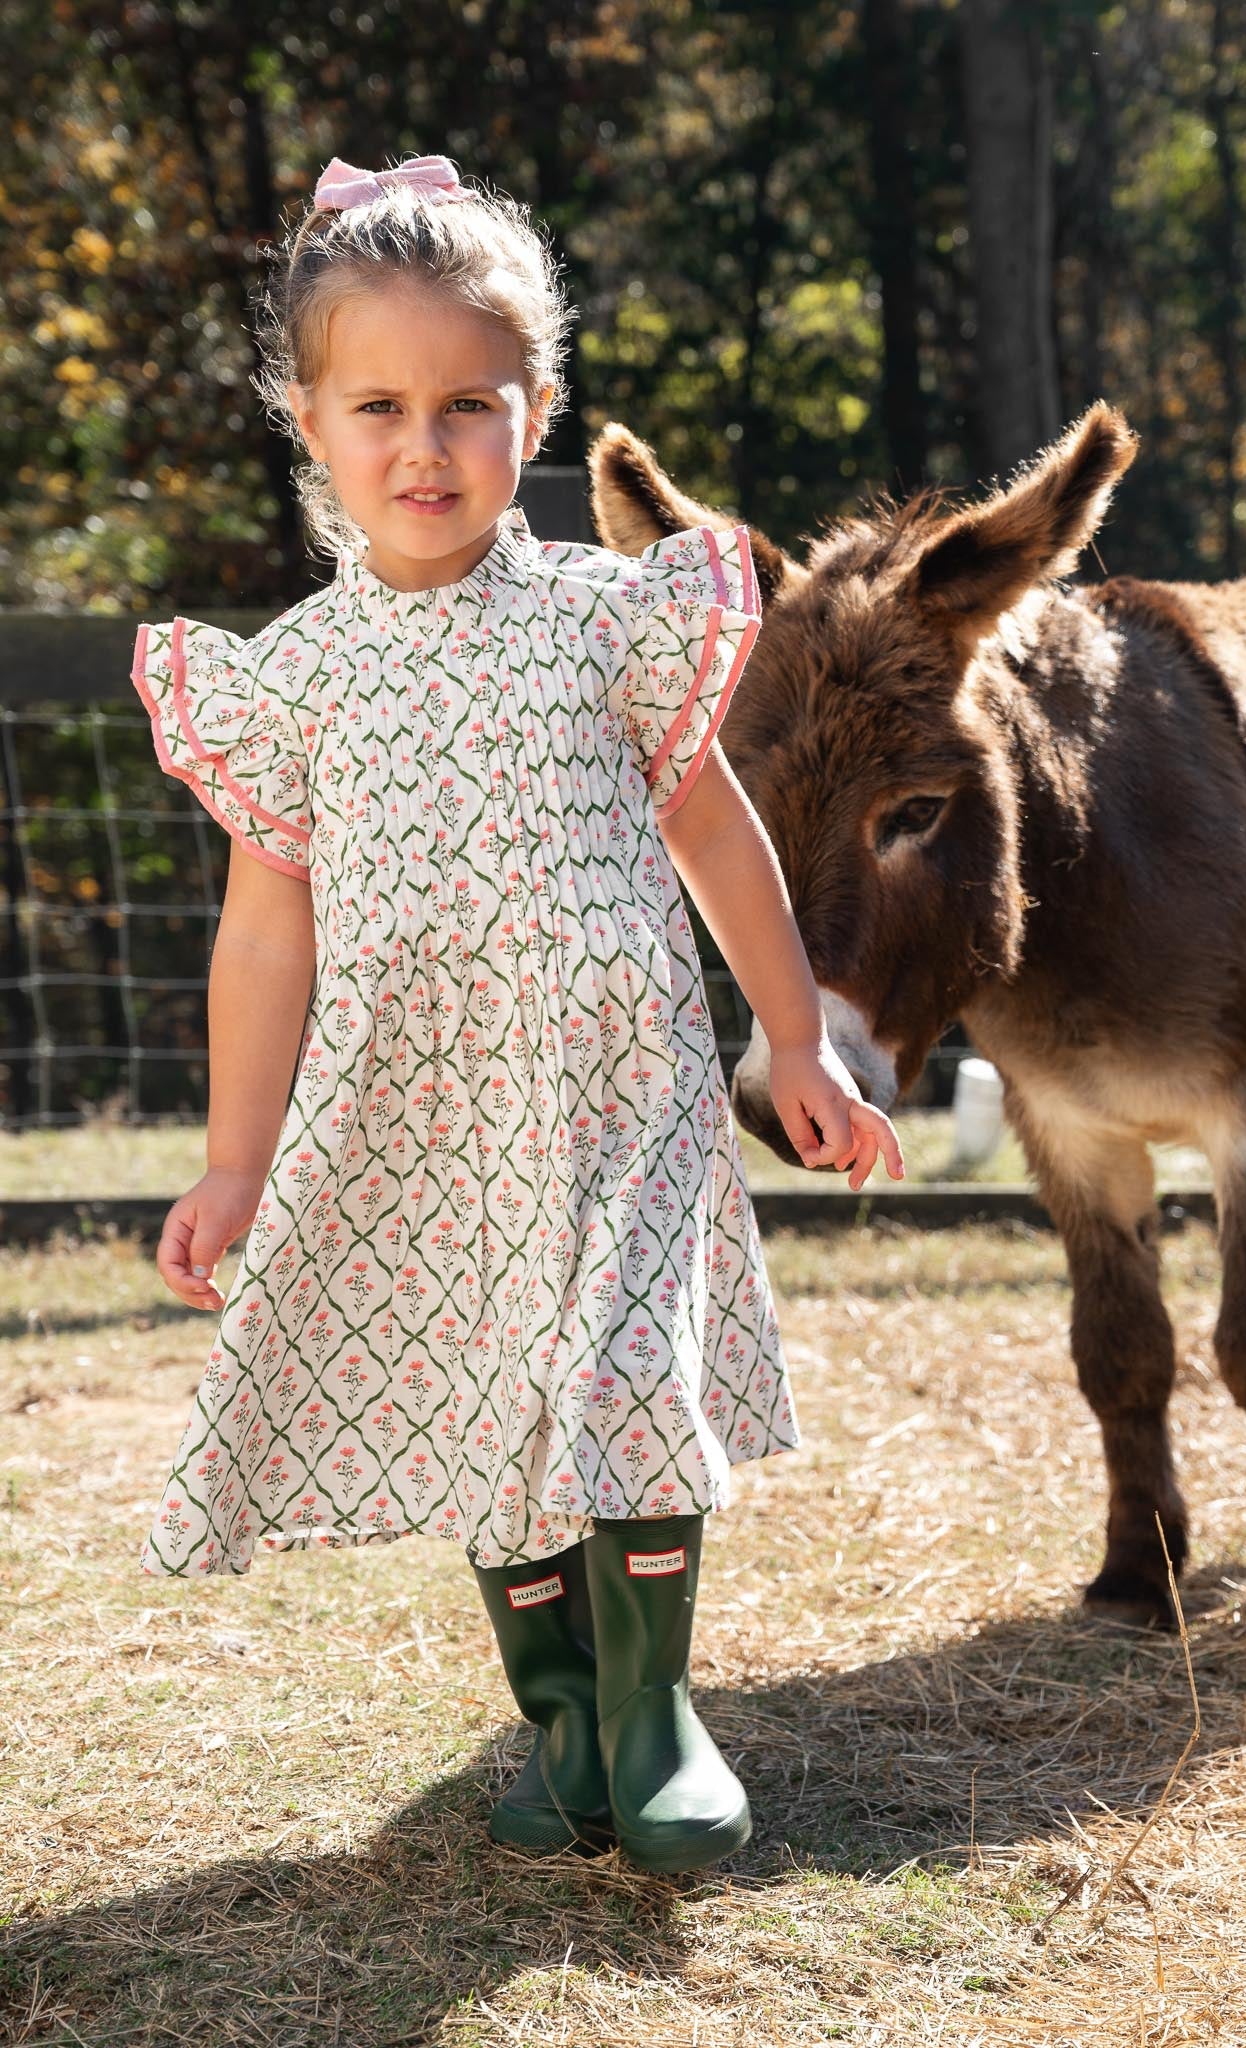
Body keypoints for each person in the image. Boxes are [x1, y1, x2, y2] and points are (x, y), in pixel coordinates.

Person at [130, 152, 904, 1875]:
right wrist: (234, 1163)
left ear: (533, 413)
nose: (426, 447)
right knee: (493, 1419)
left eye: (469, 404)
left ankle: (655, 1716)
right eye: (380, 406)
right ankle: (560, 1721)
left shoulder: (610, 626)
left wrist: (791, 1041)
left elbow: (712, 828)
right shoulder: (298, 677)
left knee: (626, 1381)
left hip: (618, 1093)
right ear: (311, 423)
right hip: (422, 1118)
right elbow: (265, 938)